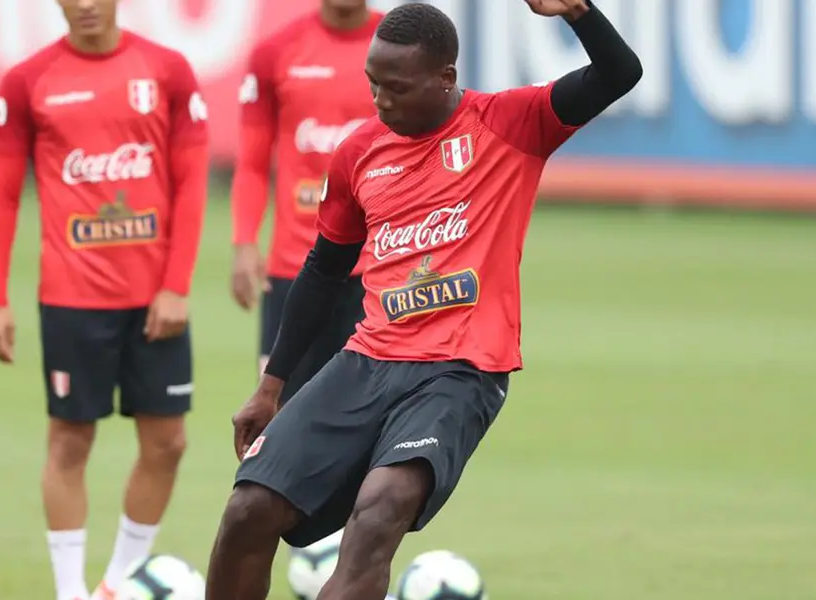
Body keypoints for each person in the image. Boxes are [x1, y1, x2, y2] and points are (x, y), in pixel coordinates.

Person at [205, 1, 642, 599]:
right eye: (373, 84)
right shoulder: (359, 152)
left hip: (460, 371)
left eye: (397, 88)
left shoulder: (511, 123)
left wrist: (580, 13)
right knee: (248, 509)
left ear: (445, 77)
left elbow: (619, 73)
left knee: (380, 510)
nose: (380, 101)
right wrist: (271, 385)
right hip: (368, 360)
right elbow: (323, 270)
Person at [0, 0, 210, 598]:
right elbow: (3, 196)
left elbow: (191, 183)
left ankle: (117, 584)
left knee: (168, 443)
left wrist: (176, 286)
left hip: (154, 302)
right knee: (70, 441)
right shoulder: (28, 82)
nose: (84, 5)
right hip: (72, 298)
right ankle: (69, 592)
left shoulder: (167, 71)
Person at [229, 0, 381, 403]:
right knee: (278, 415)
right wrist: (244, 242)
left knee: (370, 417)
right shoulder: (275, 52)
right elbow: (252, 163)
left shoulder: (402, 48)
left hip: (381, 269)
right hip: (295, 271)